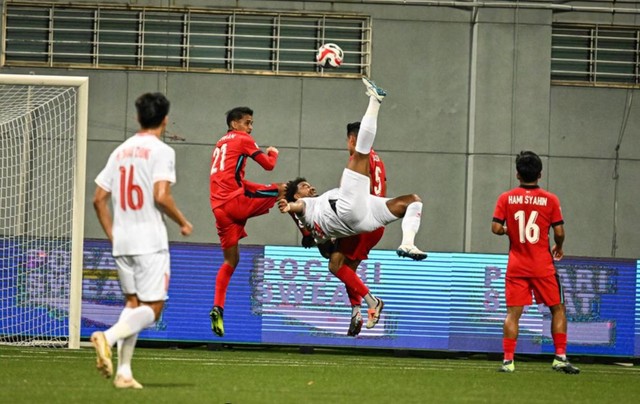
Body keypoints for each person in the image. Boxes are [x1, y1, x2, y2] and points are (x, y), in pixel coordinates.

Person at [279, 77, 428, 331]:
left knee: (336, 265)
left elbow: (301, 208)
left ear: (351, 139)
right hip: (373, 218)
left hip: (356, 216)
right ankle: (361, 308)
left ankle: (369, 304)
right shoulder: (378, 161)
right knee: (348, 266)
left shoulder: (361, 156)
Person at [91, 92, 193, 388]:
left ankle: (123, 373)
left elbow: (99, 200)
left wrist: (113, 235)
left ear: (137, 117)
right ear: (165, 119)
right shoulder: (161, 151)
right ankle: (107, 337)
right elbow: (161, 196)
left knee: (133, 303)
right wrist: (183, 222)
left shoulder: (120, 150)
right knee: (154, 308)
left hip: (122, 241)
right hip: (150, 241)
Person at [491, 150, 580, 374]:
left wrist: (506, 230)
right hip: (542, 265)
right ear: (540, 174)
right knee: (558, 308)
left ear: (517, 175)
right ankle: (560, 358)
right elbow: (559, 231)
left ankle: (508, 362)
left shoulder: (506, 198)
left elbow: (495, 228)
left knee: (513, 313)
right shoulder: (550, 199)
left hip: (517, 265)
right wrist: (558, 247)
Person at [209, 106, 285, 337]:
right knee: (285, 190)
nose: (250, 128)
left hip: (219, 208)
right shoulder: (242, 139)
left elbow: (235, 180)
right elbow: (269, 165)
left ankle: (217, 307)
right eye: (247, 123)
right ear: (234, 124)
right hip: (235, 202)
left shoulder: (220, 143)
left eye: (251, 124)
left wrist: (259, 188)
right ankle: (310, 235)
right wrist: (273, 153)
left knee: (231, 260)